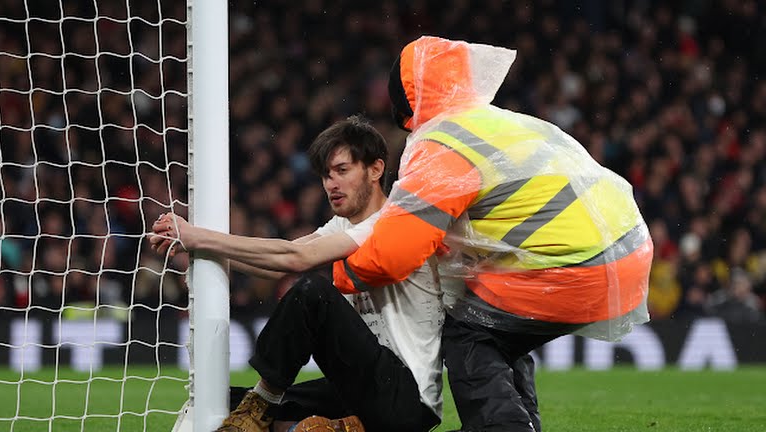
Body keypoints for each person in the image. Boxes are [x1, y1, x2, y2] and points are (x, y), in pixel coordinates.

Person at [333, 36, 654, 432]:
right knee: (498, 326)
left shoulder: (442, 142)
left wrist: (342, 276)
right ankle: (522, 422)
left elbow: (396, 252)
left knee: (471, 335)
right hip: (628, 250)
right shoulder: (502, 120)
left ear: (404, 95)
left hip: (570, 264)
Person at [150, 116, 443, 432]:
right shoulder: (343, 225)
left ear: (375, 169)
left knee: (312, 293)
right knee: (224, 402)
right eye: (325, 176)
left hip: (406, 400)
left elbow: (296, 259)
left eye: (342, 171)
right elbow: (276, 262)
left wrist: (198, 237)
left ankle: (264, 402)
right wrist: (200, 251)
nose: (331, 184)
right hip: (362, 387)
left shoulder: (390, 222)